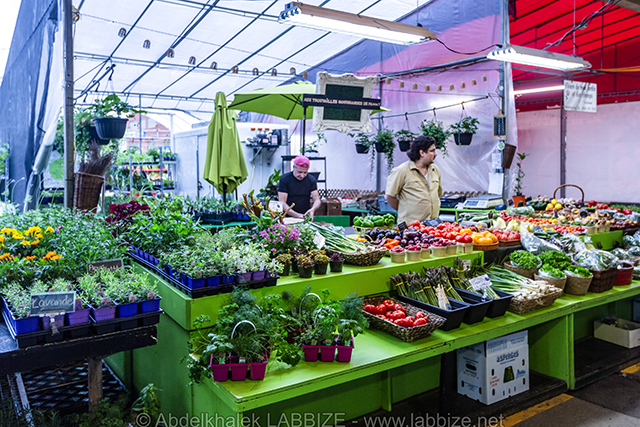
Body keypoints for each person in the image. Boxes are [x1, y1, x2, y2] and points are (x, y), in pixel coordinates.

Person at [384, 135, 443, 224]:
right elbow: (389, 197)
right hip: (410, 227)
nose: (435, 154)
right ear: (422, 153)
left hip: (432, 226)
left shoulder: (435, 170)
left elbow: (438, 194)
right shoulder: (401, 171)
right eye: (432, 151)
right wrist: (403, 210)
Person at [278, 155, 321, 220]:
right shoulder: (285, 180)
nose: (302, 175)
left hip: (305, 215)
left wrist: (313, 209)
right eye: (299, 172)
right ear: (293, 167)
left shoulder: (311, 180)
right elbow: (282, 202)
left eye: (305, 172)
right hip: (288, 217)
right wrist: (297, 215)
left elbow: (317, 200)